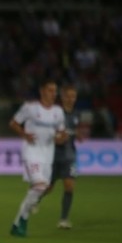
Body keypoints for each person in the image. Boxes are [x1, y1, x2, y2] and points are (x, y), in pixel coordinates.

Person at [8, 79, 67, 237]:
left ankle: (17, 223)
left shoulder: (58, 111)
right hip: (31, 152)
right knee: (40, 186)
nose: (53, 94)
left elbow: (62, 132)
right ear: (42, 91)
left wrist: (61, 138)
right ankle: (23, 222)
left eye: (55, 91)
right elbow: (13, 123)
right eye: (50, 90)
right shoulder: (30, 108)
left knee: (43, 188)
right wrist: (24, 134)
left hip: (48, 154)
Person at [45, 84, 80, 229]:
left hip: (69, 157)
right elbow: (48, 134)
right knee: (48, 187)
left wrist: (76, 135)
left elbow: (72, 133)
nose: (71, 99)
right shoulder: (55, 114)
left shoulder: (76, 114)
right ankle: (35, 200)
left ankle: (64, 219)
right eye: (68, 96)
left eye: (73, 96)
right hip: (54, 156)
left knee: (69, 186)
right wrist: (56, 139)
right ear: (63, 97)